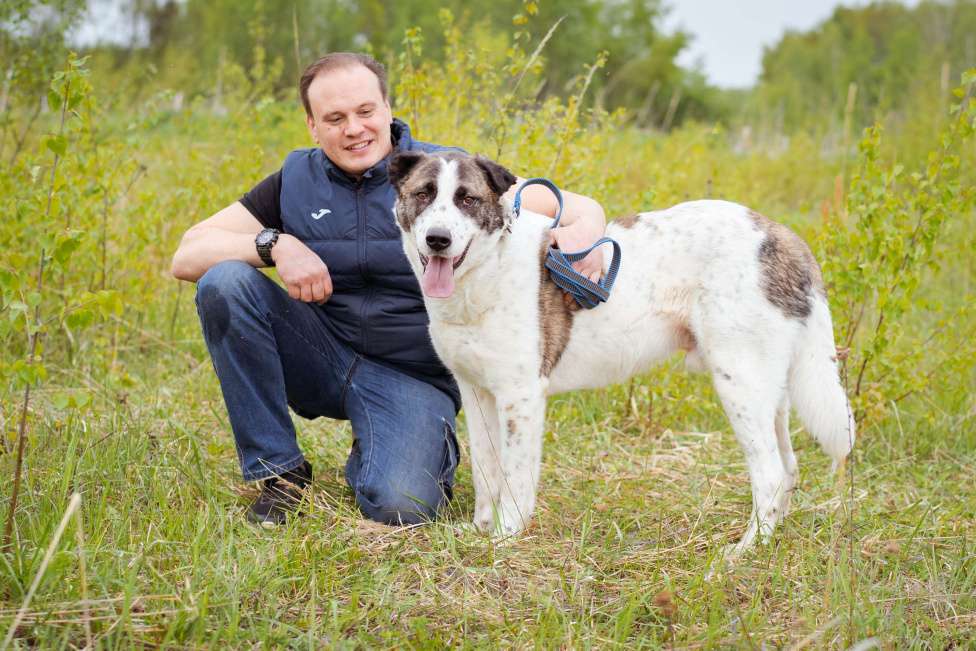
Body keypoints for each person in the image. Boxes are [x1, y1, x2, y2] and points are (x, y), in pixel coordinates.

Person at [170, 52, 607, 527]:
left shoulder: (448, 173)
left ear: (387, 108)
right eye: (334, 118)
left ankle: (386, 443)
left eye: (364, 111)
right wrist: (275, 244)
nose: (353, 129)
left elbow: (580, 208)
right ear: (313, 126)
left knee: (401, 505)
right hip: (321, 354)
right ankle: (280, 474)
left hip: (412, 374)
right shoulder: (295, 180)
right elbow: (188, 255)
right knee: (226, 281)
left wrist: (588, 235)